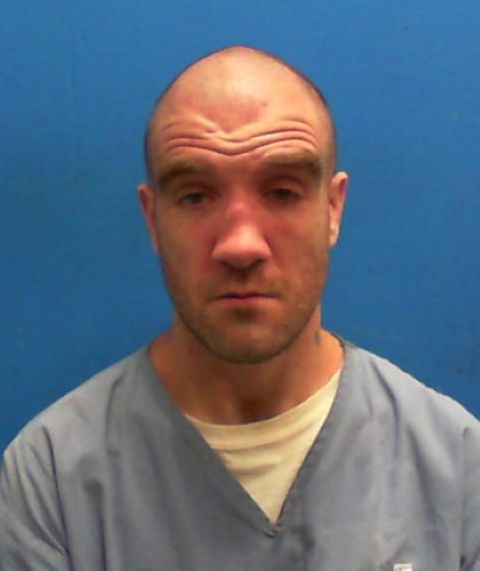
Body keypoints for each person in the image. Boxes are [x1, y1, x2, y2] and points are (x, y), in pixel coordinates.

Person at [0, 46, 479, 571]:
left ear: (332, 208)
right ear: (153, 220)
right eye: (195, 197)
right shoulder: (52, 480)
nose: (241, 244)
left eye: (282, 192)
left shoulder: (455, 465)